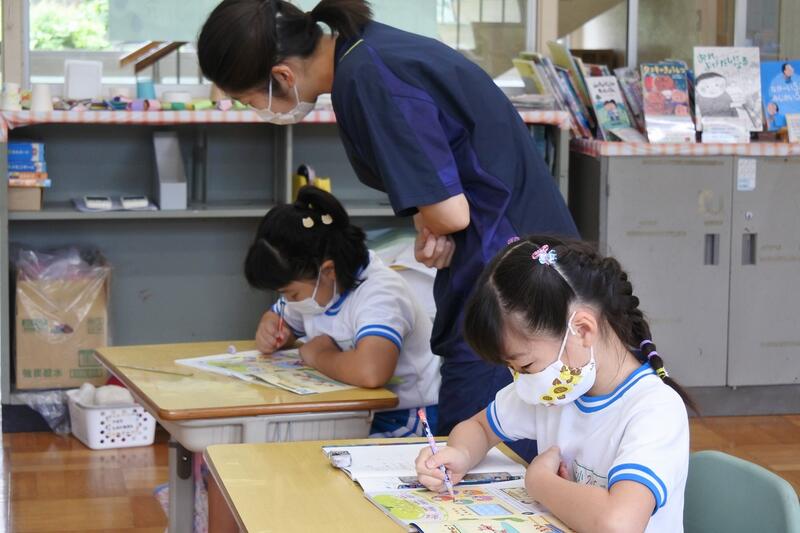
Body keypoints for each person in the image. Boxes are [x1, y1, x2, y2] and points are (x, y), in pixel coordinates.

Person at [197, 0, 577, 460]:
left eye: (248, 100)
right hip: (507, 257)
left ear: (282, 75)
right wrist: (432, 224)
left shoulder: (367, 79)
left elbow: (451, 213)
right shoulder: (367, 53)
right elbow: (435, 186)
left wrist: (435, 225)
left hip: (508, 275)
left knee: (485, 457)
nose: (255, 110)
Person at [415, 236, 693, 533]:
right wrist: (460, 454)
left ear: (582, 330)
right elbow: (480, 428)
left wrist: (540, 482)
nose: (521, 379)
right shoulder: (557, 390)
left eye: (525, 365)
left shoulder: (655, 410)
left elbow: (618, 524)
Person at [246, 186, 440, 435]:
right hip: (353, 409)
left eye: (291, 294)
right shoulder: (321, 289)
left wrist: (319, 355)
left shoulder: (381, 293)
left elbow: (371, 372)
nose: (288, 301)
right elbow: (282, 318)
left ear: (328, 270)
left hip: (406, 417)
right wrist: (271, 327)